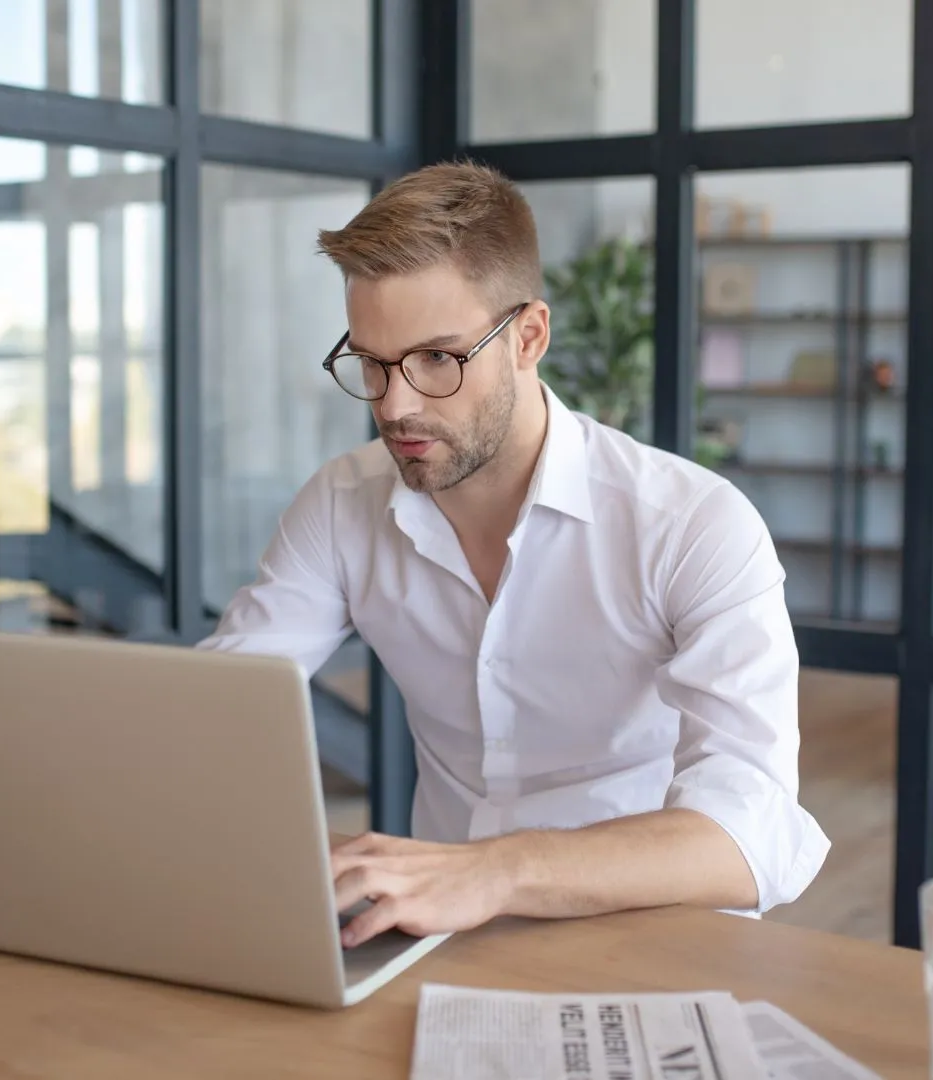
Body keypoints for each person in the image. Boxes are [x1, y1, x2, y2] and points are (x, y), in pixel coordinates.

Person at [196, 161, 828, 948]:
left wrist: (496, 871)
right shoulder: (341, 504)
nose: (395, 405)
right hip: (437, 939)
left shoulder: (691, 523)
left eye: (437, 359)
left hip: (651, 940)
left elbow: (749, 835)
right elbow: (215, 711)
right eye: (371, 363)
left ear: (529, 336)